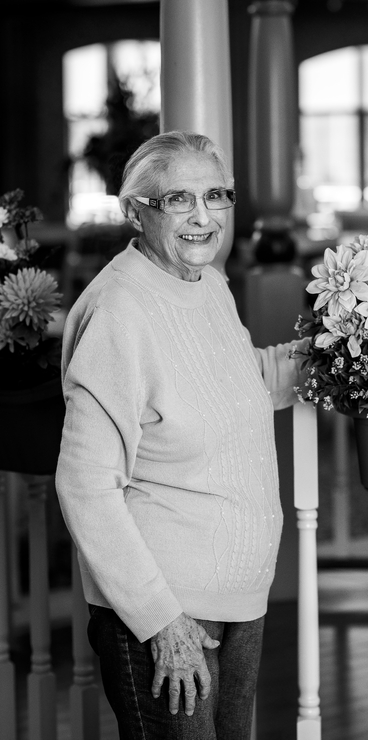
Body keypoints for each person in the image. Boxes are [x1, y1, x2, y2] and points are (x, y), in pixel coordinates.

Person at [55, 130, 307, 740]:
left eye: (216, 195)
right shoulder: (120, 310)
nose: (202, 216)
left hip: (238, 603)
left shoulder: (209, 285)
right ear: (135, 211)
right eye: (178, 199)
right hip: (168, 612)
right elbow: (85, 484)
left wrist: (358, 342)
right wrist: (160, 620)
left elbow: (242, 387)